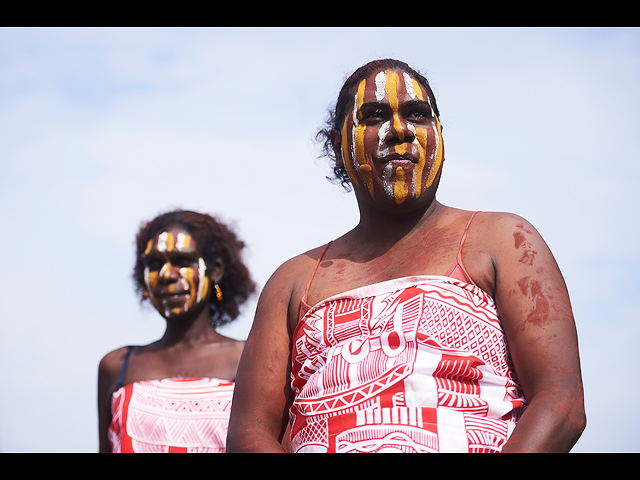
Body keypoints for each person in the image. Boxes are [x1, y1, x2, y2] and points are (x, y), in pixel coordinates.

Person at [226, 59, 586, 453]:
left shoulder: (504, 240)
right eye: (374, 115)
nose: (399, 130)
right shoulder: (295, 280)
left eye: (417, 114)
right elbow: (250, 433)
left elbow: (560, 402)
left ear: (440, 136)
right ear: (337, 145)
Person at [98, 209, 256, 453]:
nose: (165, 275)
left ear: (215, 269)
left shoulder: (251, 360)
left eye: (182, 261)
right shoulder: (117, 367)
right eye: (154, 264)